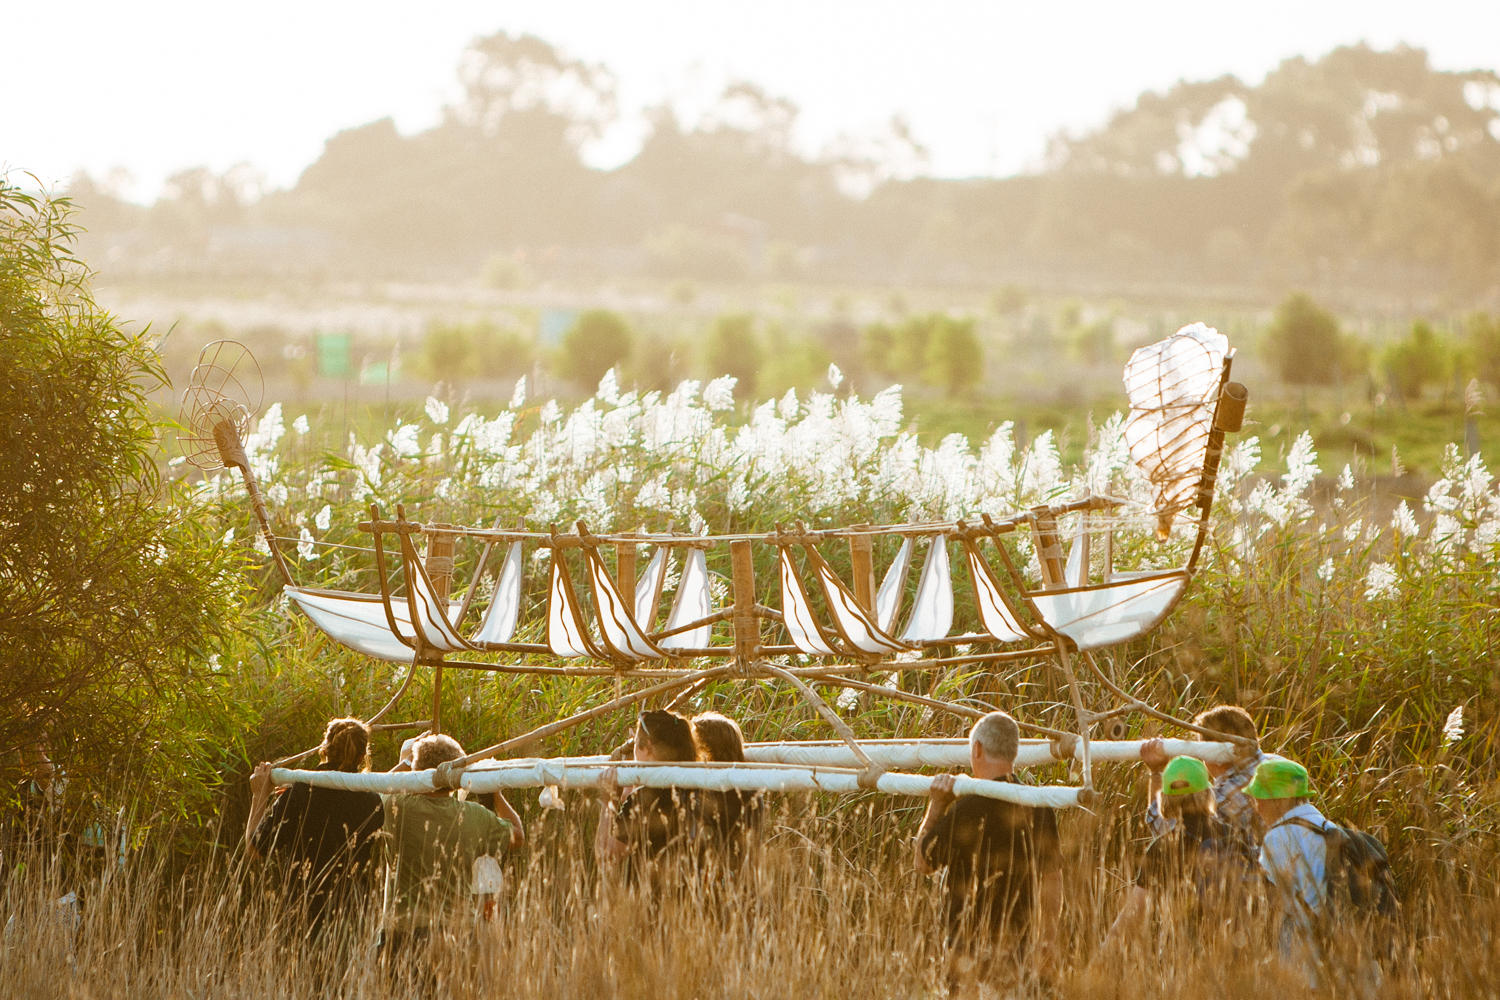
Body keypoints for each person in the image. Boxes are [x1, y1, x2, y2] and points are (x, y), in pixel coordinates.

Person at [914, 711, 1063, 985]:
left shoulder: (967, 809)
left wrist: (936, 805)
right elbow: (1052, 878)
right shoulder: (1038, 804)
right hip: (1022, 951)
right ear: (1014, 752)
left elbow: (923, 862)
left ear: (977, 749)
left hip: (968, 955)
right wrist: (1048, 941)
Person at [378, 732, 524, 971]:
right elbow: (518, 835)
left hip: (402, 934)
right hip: (456, 933)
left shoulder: (398, 807)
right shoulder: (475, 815)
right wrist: (495, 792)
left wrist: (405, 762)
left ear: (419, 772)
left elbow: (379, 788)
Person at [1096, 756, 1254, 959]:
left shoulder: (1163, 847)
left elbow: (1134, 913)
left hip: (1183, 956)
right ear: (1207, 793)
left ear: (1166, 798)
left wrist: (1101, 957)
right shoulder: (1232, 836)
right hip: (1234, 951)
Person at [245, 717, 385, 941]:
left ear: (324, 749)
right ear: (362, 756)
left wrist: (259, 795)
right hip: (354, 918)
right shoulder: (373, 801)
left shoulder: (300, 793)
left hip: (302, 916)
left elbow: (255, 849)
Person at [1141, 704, 1270, 854]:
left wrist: (1157, 772)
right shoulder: (1272, 764)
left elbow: (1166, 831)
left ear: (1217, 752)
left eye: (1202, 750)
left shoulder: (1230, 791)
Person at [595, 710, 704, 884]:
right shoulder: (697, 784)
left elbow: (607, 856)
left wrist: (609, 801)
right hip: (691, 897)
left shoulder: (645, 797)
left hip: (654, 903)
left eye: (636, 744)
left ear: (648, 746)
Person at [691, 711, 764, 871]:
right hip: (740, 879)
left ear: (707, 750)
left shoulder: (719, 791)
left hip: (719, 879)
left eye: (694, 745)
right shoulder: (748, 787)